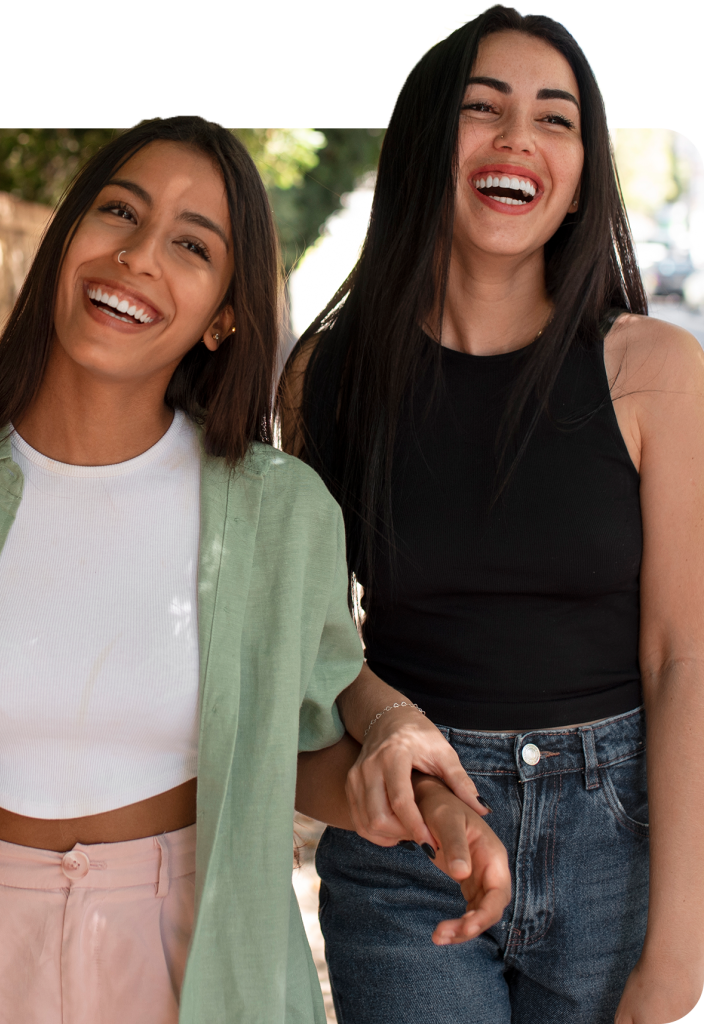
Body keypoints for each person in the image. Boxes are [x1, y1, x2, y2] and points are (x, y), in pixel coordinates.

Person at [0, 117, 509, 1024]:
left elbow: (291, 748)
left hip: (194, 955)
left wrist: (413, 805)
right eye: (118, 213)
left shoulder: (281, 514)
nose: (138, 257)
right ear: (65, 242)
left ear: (226, 312)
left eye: (190, 244)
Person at [281, 9, 704, 1024]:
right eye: (483, 108)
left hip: (620, 838)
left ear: (577, 173)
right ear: (429, 139)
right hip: (408, 848)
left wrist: (680, 946)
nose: (518, 139)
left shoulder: (651, 371)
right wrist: (407, 770)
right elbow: (310, 638)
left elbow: (681, 656)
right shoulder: (325, 375)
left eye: (554, 120)